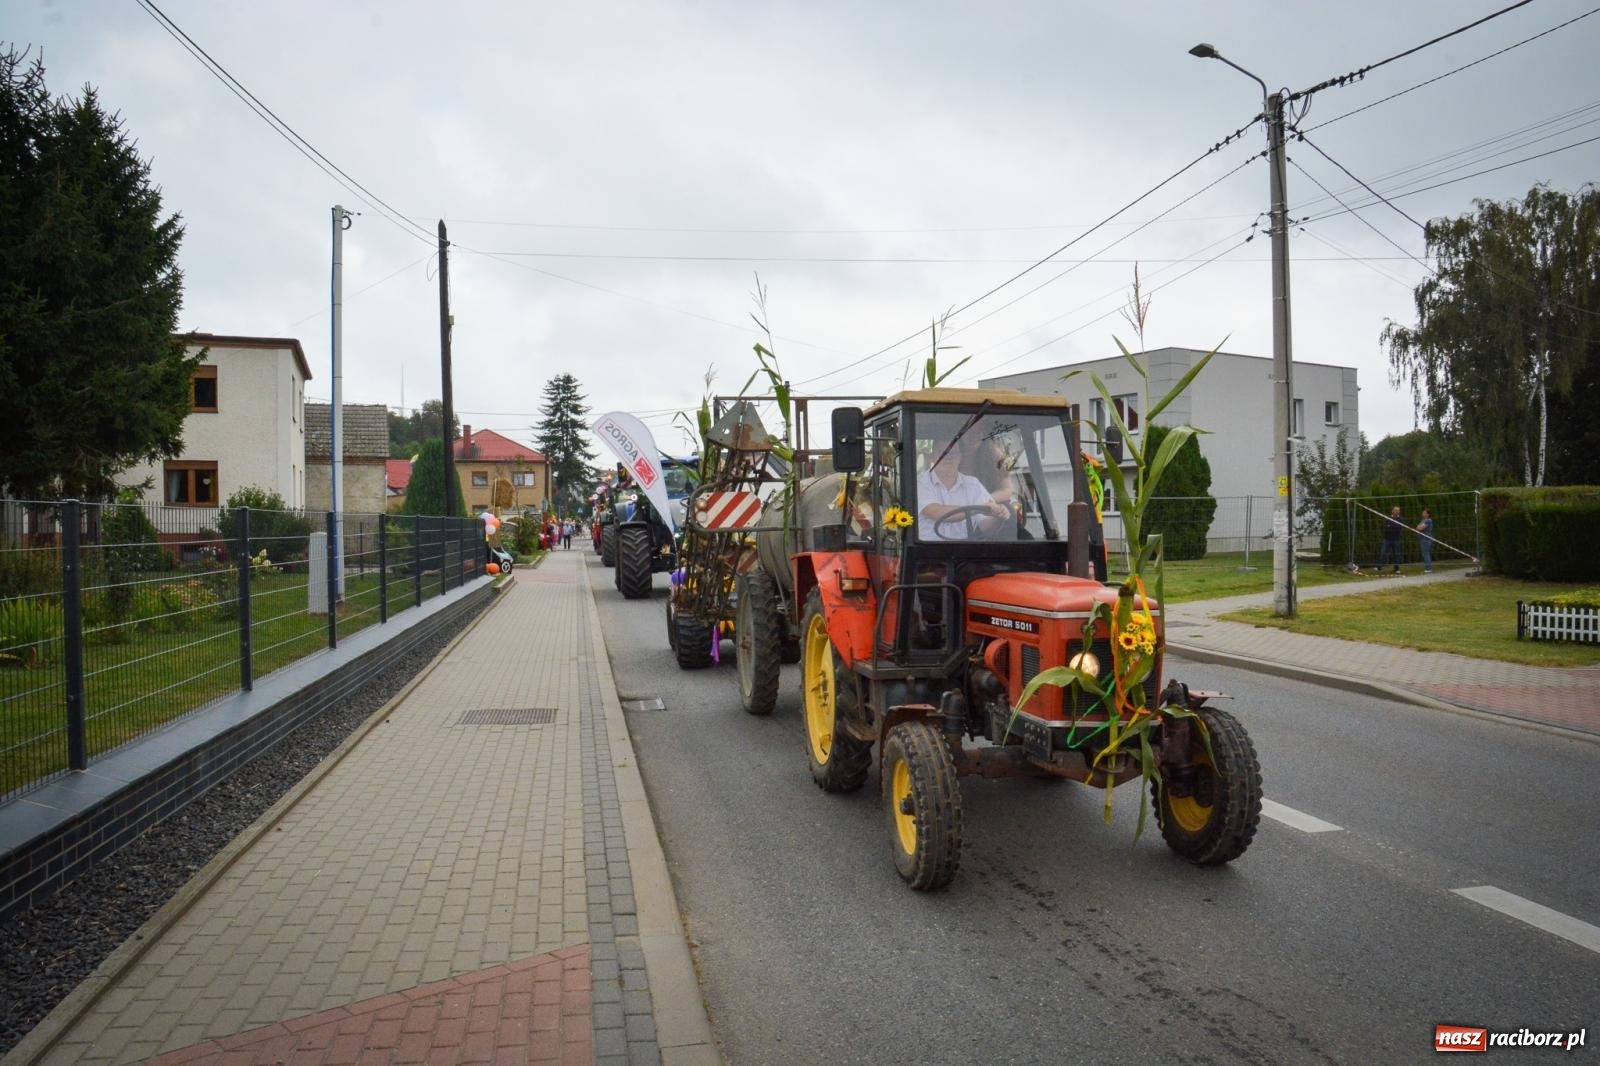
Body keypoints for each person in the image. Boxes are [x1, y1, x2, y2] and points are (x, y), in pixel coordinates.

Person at [917, 437, 1009, 541]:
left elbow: (984, 527)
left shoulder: (973, 485)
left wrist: (998, 515)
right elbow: (935, 512)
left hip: (964, 551)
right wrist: (976, 509)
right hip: (926, 551)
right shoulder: (921, 483)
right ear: (932, 457)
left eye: (954, 453)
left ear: (960, 458)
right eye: (943, 452)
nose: (949, 457)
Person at [1377, 505, 1404, 573]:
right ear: (1392, 511)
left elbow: (1399, 528)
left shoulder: (1400, 519)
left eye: (1398, 510)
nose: (1397, 511)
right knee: (1383, 553)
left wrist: (1391, 526)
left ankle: (1396, 568)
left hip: (1396, 539)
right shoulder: (1387, 518)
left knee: (1397, 555)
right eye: (1396, 510)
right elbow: (1386, 527)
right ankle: (1379, 567)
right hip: (1387, 539)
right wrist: (1393, 527)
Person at [1415, 508, 1434, 572]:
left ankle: (1428, 568)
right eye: (1423, 512)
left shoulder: (1428, 520)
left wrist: (1418, 527)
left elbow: (1420, 528)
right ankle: (1428, 567)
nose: (1423, 514)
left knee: (1426, 553)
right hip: (1422, 539)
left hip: (1426, 539)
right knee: (1425, 553)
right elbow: (1417, 527)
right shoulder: (1424, 520)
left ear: (1428, 514)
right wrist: (1418, 527)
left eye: (1424, 513)